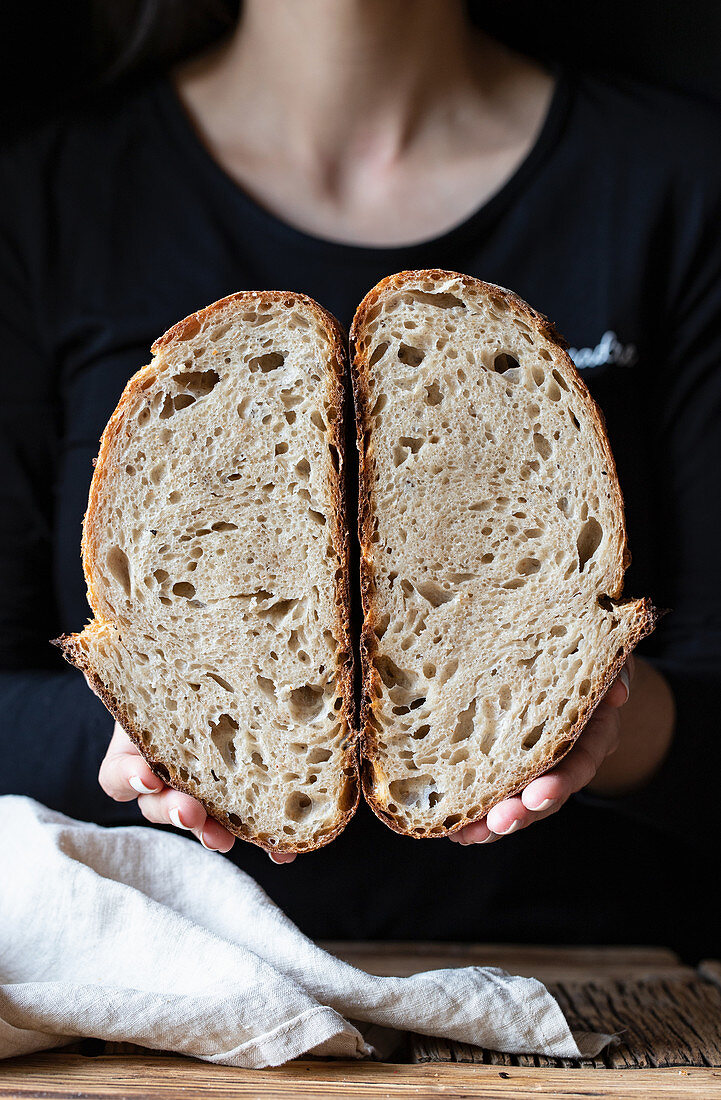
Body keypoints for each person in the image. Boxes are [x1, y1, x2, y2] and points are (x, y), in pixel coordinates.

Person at [1, 0, 718, 957]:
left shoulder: (678, 180)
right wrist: (147, 719)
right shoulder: (50, 196)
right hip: (158, 1000)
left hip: (596, 1002)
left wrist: (598, 716)